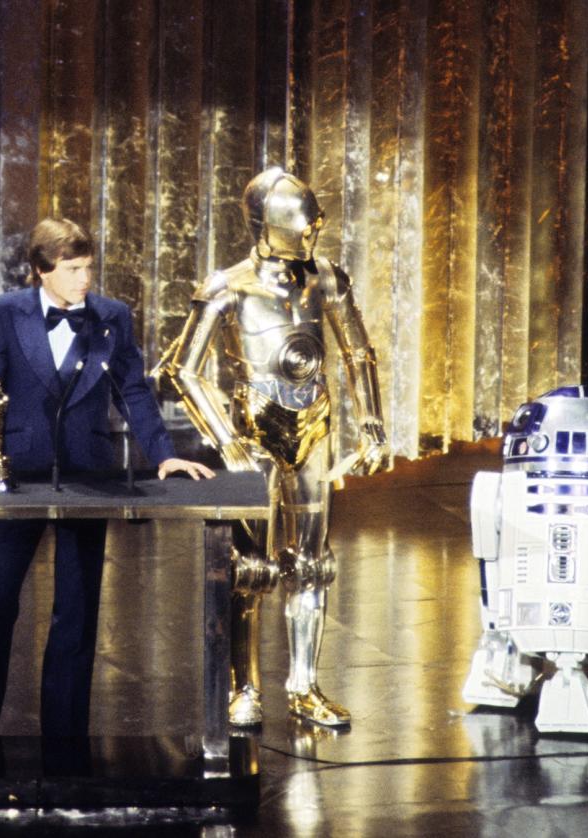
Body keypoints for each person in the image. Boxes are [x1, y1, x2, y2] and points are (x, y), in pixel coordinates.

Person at [0, 218, 213, 737]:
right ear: (40, 271)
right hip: (17, 478)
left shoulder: (112, 317)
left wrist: (164, 454)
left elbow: (135, 391)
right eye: (73, 269)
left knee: (76, 610)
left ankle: (65, 733)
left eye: (88, 269)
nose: (84, 280)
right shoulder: (7, 313)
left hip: (88, 477)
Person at [155, 169, 387, 727]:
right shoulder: (228, 286)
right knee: (251, 567)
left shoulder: (326, 278)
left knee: (311, 564)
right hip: (254, 434)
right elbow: (181, 369)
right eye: (302, 218)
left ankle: (305, 685)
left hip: (313, 430)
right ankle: (245, 688)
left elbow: (357, 352)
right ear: (268, 224)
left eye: (313, 216)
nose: (314, 228)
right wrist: (226, 438)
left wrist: (373, 423)